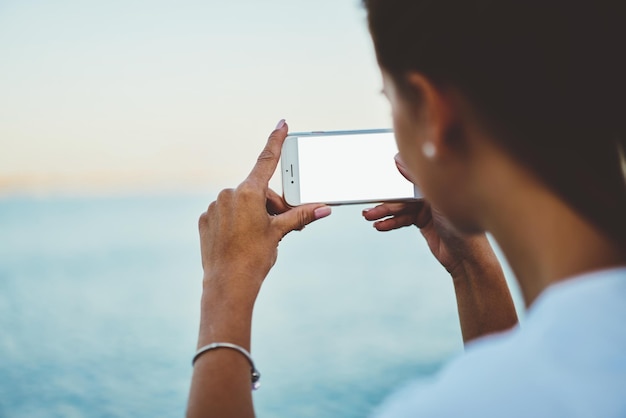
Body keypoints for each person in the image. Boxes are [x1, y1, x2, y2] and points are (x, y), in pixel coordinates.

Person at [187, 1, 626, 416]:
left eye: (390, 99)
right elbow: (528, 381)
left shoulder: (447, 409)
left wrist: (225, 295)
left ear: (434, 111)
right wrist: (470, 264)